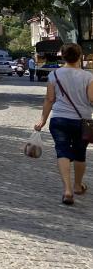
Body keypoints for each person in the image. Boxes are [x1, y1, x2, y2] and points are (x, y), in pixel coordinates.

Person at [34, 42, 92, 205]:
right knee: (80, 153)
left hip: (59, 119)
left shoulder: (54, 75)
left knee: (62, 151)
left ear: (62, 56)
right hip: (82, 121)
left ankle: (67, 190)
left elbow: (49, 99)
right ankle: (78, 186)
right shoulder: (88, 77)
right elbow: (92, 99)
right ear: (80, 56)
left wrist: (43, 119)